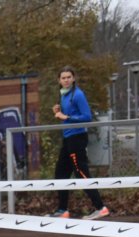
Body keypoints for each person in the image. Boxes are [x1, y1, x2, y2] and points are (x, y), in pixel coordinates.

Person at [47, 66, 109, 220]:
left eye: (69, 77)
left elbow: (87, 117)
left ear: (73, 78)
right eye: (63, 78)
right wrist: (58, 112)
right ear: (59, 80)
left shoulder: (78, 94)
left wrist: (66, 117)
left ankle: (100, 207)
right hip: (68, 139)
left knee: (81, 173)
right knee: (61, 173)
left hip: (77, 138)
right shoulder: (63, 95)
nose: (66, 80)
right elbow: (67, 115)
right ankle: (63, 210)